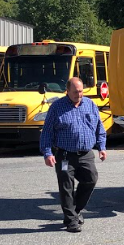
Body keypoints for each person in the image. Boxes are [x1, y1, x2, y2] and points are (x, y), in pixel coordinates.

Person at [40, 77, 107, 233]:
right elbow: (47, 132)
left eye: (81, 91)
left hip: (86, 154)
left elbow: (99, 127)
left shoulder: (90, 105)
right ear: (67, 91)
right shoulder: (57, 107)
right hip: (64, 155)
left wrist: (101, 147)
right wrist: (47, 153)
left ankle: (75, 211)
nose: (79, 94)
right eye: (76, 92)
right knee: (66, 187)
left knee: (91, 180)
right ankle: (71, 221)